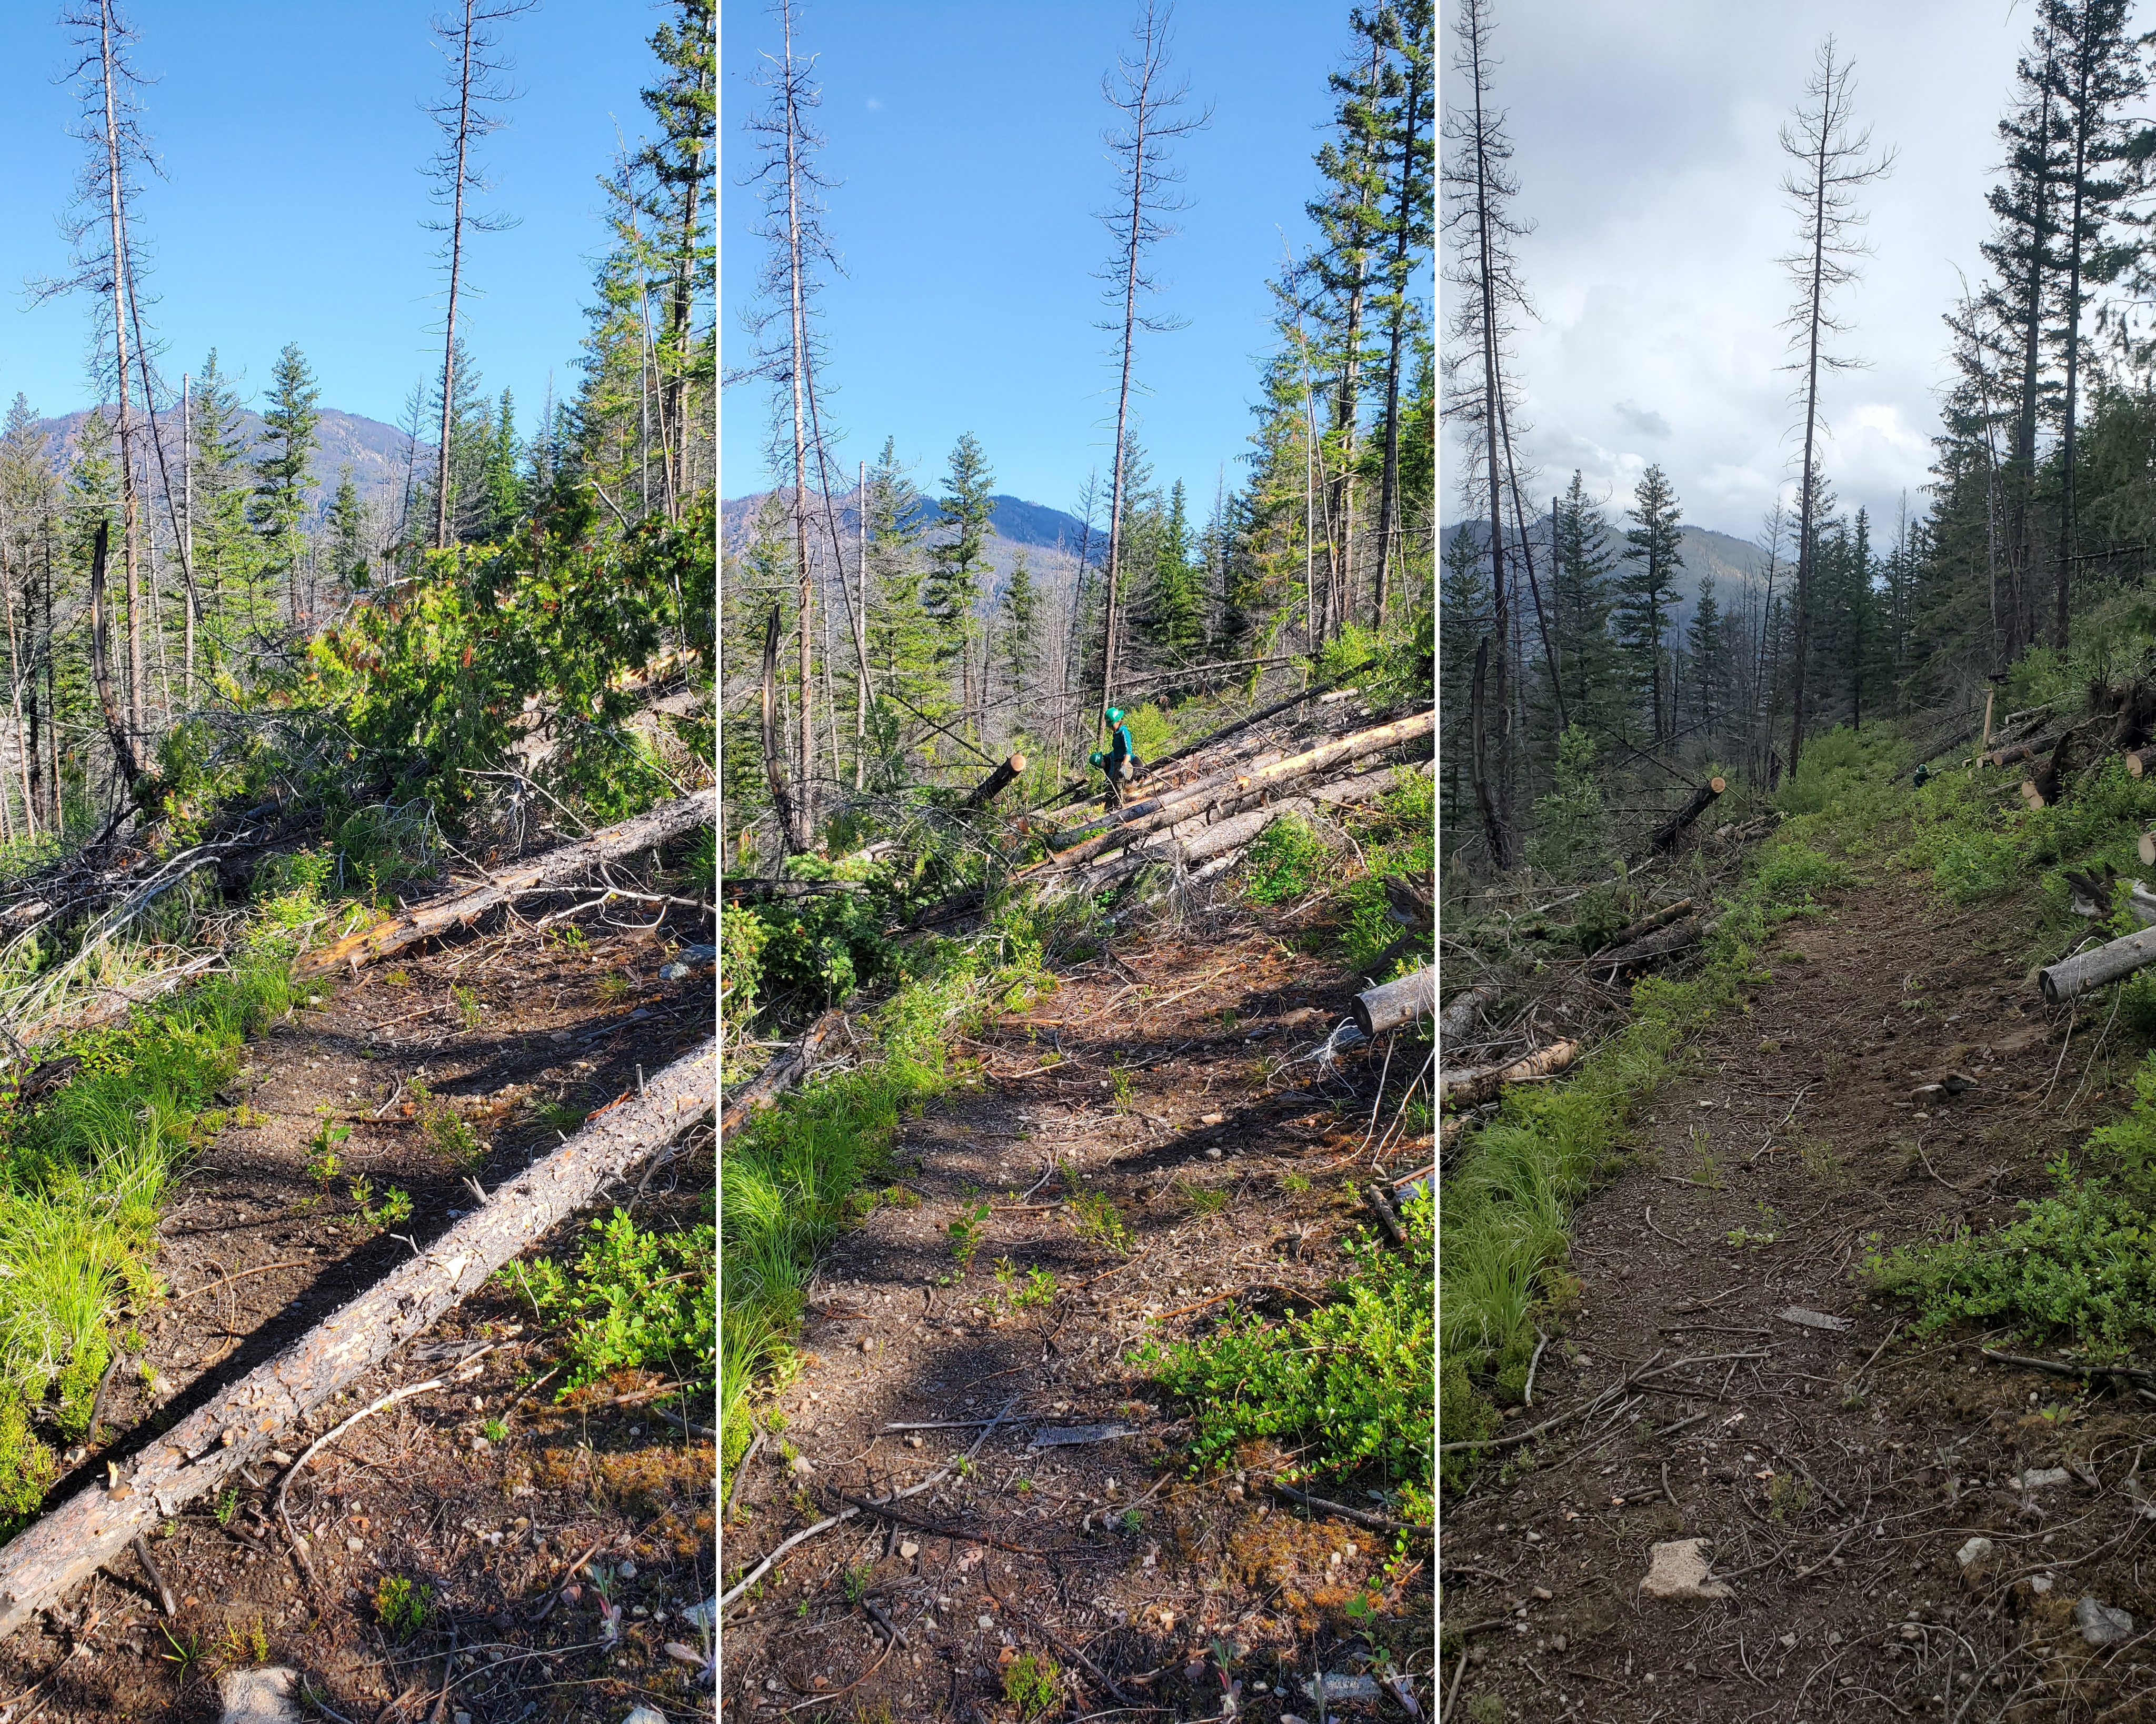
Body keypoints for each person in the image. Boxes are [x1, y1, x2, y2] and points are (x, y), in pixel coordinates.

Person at [1098, 706, 1141, 806]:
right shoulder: (1116, 734)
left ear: (1119, 721)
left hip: (1123, 763)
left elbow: (1128, 751)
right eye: (1110, 726)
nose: (1111, 728)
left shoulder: (1124, 732)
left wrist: (1124, 766)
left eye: (1113, 725)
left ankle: (1119, 809)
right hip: (1117, 764)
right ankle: (1108, 810)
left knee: (1118, 788)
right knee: (1110, 789)